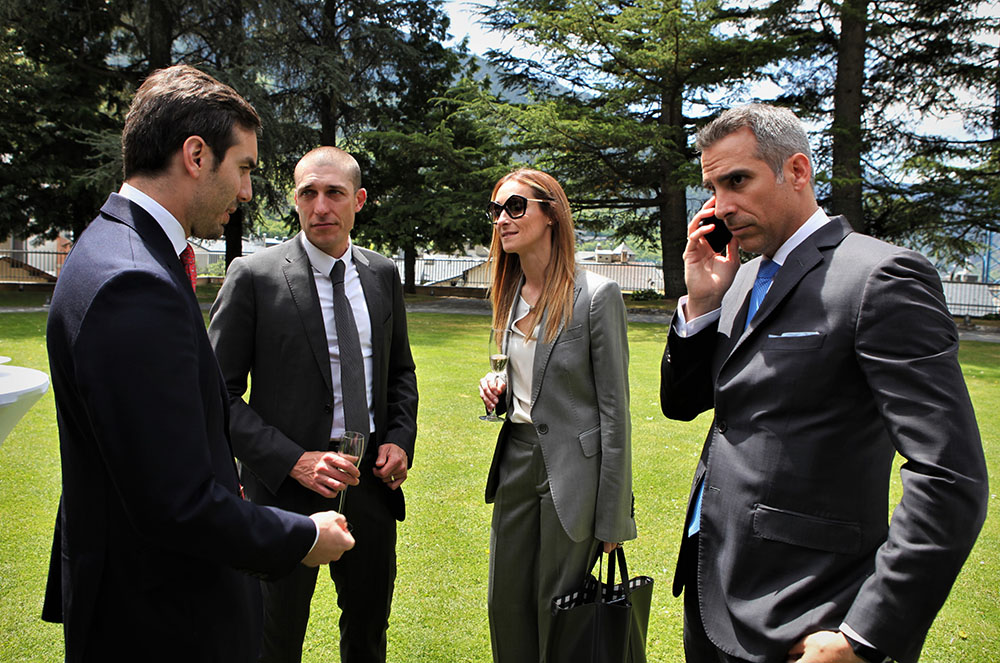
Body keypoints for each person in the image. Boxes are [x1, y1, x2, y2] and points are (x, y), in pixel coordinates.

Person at [42, 64, 355, 663]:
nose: (246, 193)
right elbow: (176, 503)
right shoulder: (134, 281)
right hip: (160, 616)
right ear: (195, 155)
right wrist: (302, 535)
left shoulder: (115, 245)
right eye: (243, 169)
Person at [660, 103, 989, 663]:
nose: (722, 206)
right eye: (713, 187)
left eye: (738, 180)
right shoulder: (738, 279)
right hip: (714, 584)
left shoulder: (878, 278)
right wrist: (703, 303)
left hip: (809, 608)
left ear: (797, 171)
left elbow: (949, 475)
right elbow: (686, 404)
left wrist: (865, 636)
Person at [208, 146, 418, 663]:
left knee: (368, 629)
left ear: (359, 201)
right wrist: (294, 461)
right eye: (308, 193)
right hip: (283, 491)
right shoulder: (254, 276)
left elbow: (400, 374)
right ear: (295, 200)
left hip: (368, 483)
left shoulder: (382, 274)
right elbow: (216, 394)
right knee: (274, 638)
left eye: (334, 193)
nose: (320, 206)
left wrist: (397, 438)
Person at [478, 168, 637, 663]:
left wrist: (614, 515)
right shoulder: (507, 292)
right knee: (505, 602)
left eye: (516, 207)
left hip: (573, 475)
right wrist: (498, 394)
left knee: (560, 607)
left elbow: (614, 412)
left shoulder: (597, 296)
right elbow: (530, 387)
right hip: (516, 465)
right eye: (497, 210)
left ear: (551, 214)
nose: (503, 219)